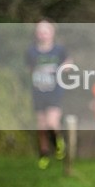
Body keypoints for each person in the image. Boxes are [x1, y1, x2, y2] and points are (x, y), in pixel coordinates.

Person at [25, 19, 69, 169]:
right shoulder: (31, 51)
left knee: (52, 122)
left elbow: (68, 63)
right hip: (38, 92)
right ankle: (44, 154)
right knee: (41, 126)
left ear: (52, 33)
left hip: (54, 91)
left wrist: (62, 69)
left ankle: (59, 141)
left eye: (46, 32)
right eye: (40, 32)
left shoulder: (59, 50)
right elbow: (29, 70)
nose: (43, 35)